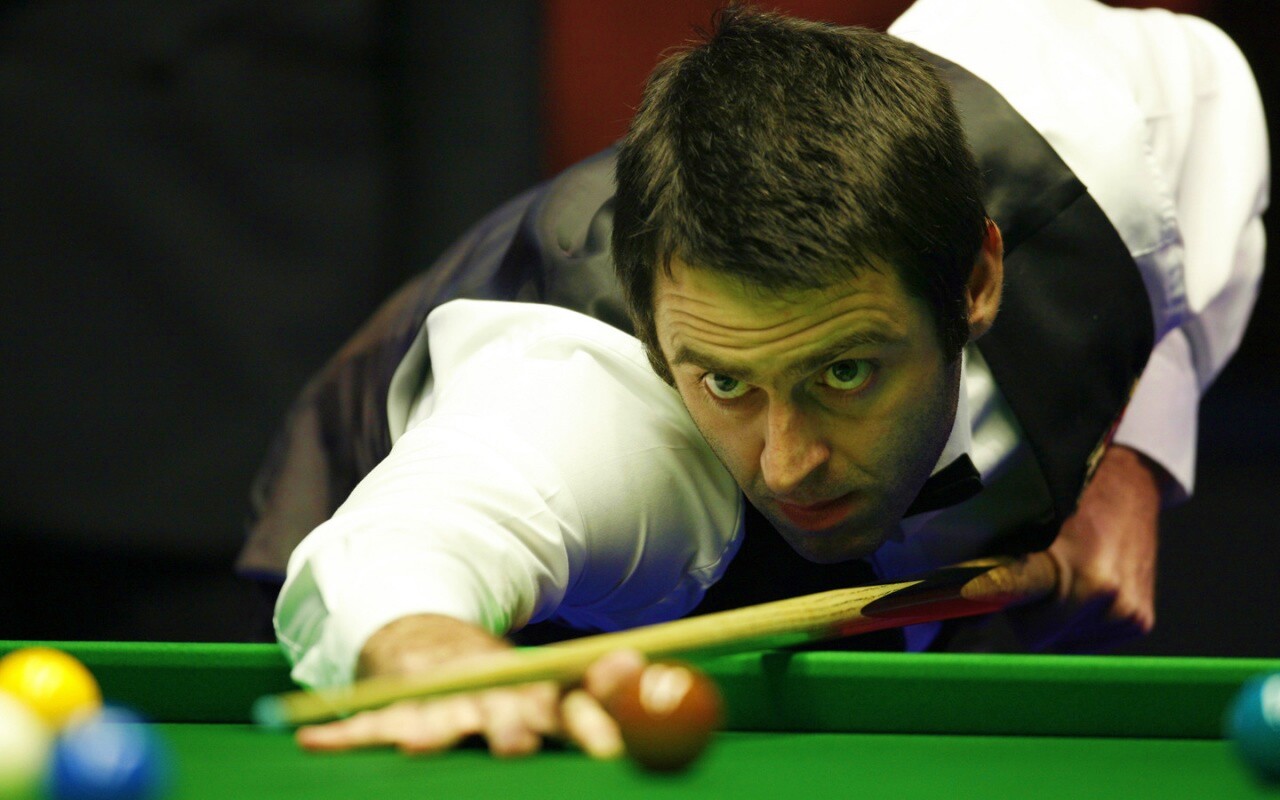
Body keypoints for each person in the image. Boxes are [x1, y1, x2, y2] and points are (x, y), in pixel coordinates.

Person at [238, 0, 1266, 758]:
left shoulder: (1081, 135)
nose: (788, 463)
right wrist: (426, 645)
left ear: (976, 280)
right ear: (658, 332)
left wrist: (1132, 457)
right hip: (496, 603)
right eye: (728, 383)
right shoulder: (588, 415)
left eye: (845, 371)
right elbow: (420, 539)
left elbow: (1215, 119)